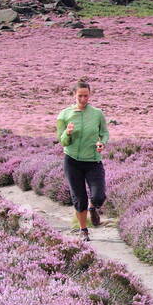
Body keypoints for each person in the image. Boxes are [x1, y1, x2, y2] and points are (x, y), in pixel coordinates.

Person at [56, 77, 110, 241]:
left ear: (90, 95)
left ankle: (93, 208)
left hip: (93, 161)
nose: (83, 99)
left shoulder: (97, 114)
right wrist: (68, 133)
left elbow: (105, 133)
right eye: (80, 96)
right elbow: (62, 140)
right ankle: (83, 230)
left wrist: (102, 143)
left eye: (86, 96)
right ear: (74, 95)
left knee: (99, 195)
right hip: (72, 161)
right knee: (79, 198)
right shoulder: (64, 115)